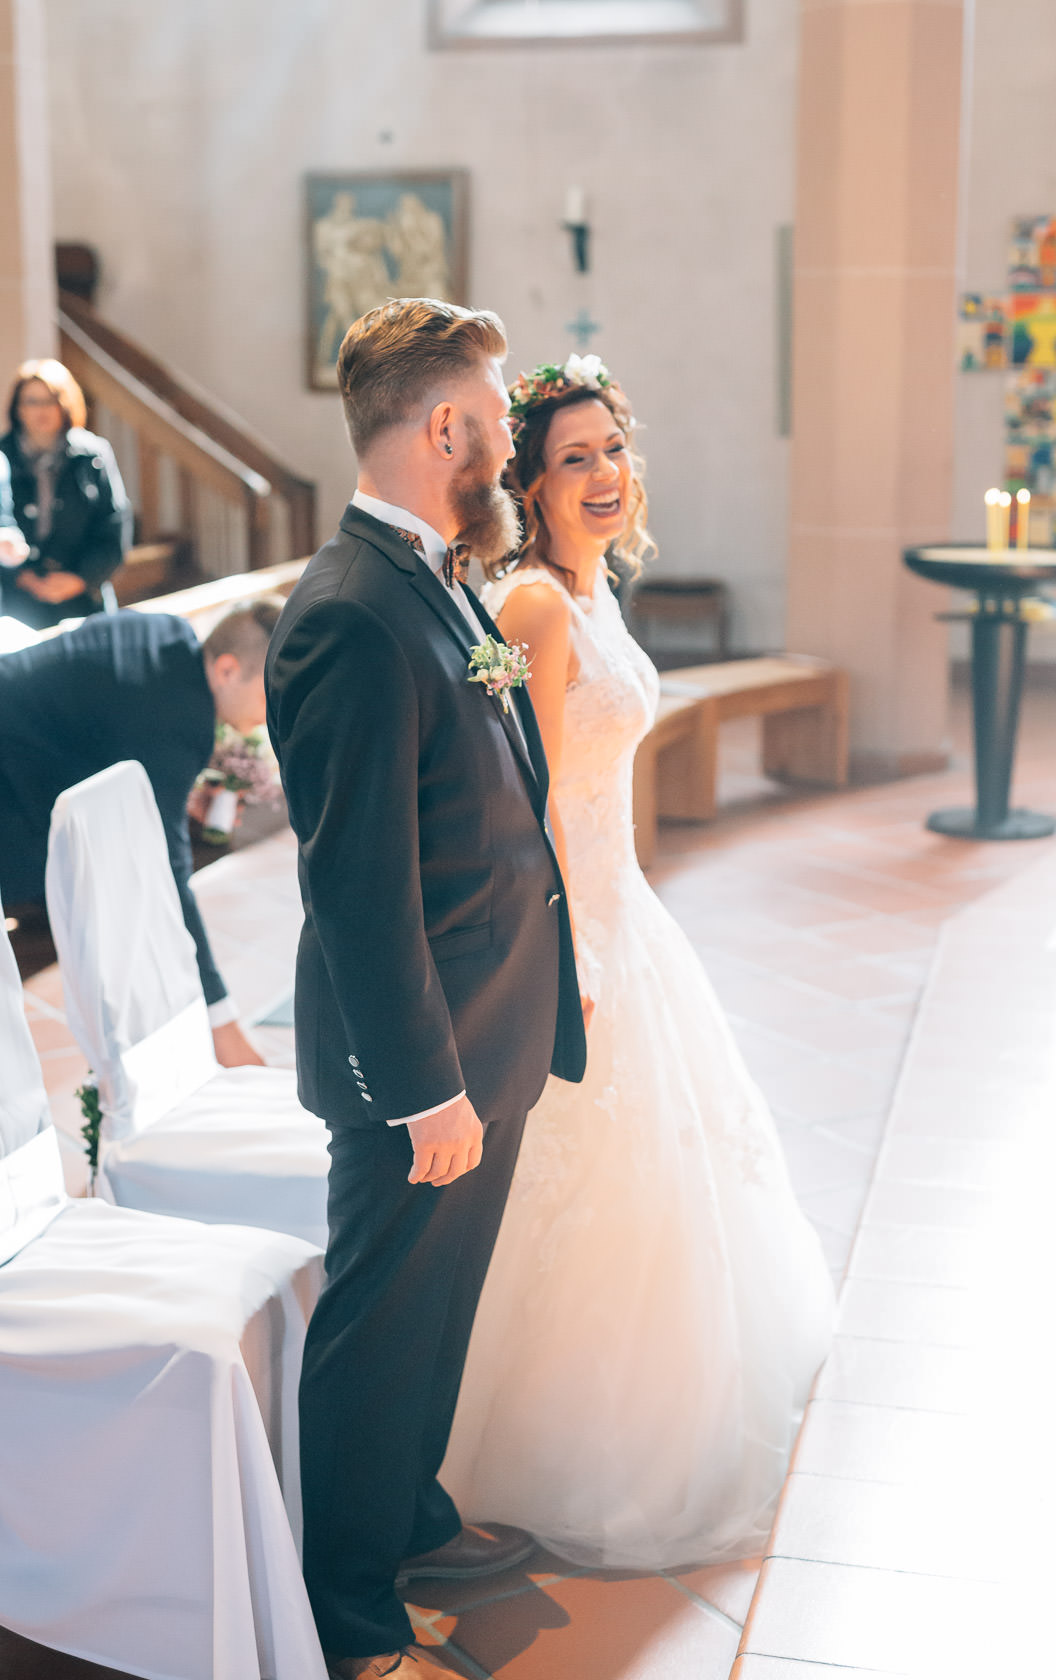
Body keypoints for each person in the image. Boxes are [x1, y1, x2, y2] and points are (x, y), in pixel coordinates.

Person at [441, 354, 835, 1569]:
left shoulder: (596, 594)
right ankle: (529, 1449)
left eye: (613, 450)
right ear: (531, 482)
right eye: (574, 458)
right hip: (575, 928)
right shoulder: (534, 608)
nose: (604, 474)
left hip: (628, 911)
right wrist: (562, 954)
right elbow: (524, 804)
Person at [265, 299, 586, 1680]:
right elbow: (358, 889)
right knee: (379, 1329)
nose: (512, 451)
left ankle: (405, 1519)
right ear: (442, 426)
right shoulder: (346, 614)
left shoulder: (436, 576)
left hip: (487, 1021)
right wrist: (425, 1088)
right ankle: (347, 1619)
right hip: (422, 1060)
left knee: (435, 1318)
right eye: (502, 422)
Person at [0, 600, 281, 1068]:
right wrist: (221, 1020)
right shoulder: (179, 717)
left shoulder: (166, 634)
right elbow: (165, 871)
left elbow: (106, 721)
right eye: (271, 695)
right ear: (229, 669)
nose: (272, 715)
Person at [0, 358, 132, 630]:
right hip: (18, 604)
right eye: (31, 401)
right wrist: (20, 575)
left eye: (51, 400)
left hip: (82, 598)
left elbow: (114, 530)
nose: (42, 410)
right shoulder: (3, 456)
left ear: (66, 403)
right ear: (17, 408)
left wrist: (80, 579)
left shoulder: (93, 455)